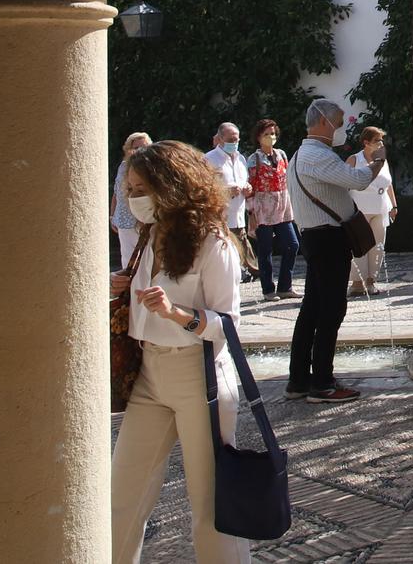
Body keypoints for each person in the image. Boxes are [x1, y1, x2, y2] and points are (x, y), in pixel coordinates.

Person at [108, 139, 250, 563]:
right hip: (150, 376)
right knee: (122, 498)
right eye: (129, 189)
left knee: (210, 507)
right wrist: (123, 286)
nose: (133, 199)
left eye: (140, 189)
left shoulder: (214, 243)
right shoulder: (148, 238)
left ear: (171, 187)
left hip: (199, 377)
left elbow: (228, 326)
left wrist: (177, 314)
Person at [287, 97, 379, 403]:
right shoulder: (318, 156)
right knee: (331, 310)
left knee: (312, 308)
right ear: (323, 122)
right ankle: (322, 384)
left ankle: (299, 380)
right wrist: (376, 161)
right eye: (338, 122)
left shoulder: (301, 155)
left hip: (315, 238)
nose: (340, 128)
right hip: (328, 238)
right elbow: (358, 180)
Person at [245, 118, 299, 300]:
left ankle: (285, 286)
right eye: (266, 134)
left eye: (273, 133)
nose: (271, 137)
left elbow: (288, 178)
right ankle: (268, 289)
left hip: (282, 205)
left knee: (292, 245)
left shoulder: (282, 154)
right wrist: (251, 212)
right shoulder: (254, 159)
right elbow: (251, 185)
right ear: (259, 137)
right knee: (265, 249)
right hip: (263, 207)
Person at [347, 125, 396, 296]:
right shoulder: (354, 159)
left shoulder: (382, 160)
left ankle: (371, 281)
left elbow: (388, 184)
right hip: (359, 209)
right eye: (377, 140)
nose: (380, 143)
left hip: (380, 208)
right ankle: (357, 282)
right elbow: (345, 183)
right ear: (366, 142)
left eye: (381, 140)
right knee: (359, 246)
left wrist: (394, 205)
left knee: (378, 246)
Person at [205, 123, 254, 283]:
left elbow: (244, 181)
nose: (234, 143)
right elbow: (203, 188)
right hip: (220, 217)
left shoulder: (240, 158)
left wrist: (247, 188)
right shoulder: (209, 159)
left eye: (236, 139)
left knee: (240, 252)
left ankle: (243, 275)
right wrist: (225, 191)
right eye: (230, 140)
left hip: (239, 216)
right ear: (219, 139)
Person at [111, 132, 153, 269]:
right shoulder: (123, 167)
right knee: (127, 260)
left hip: (144, 219)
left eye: (144, 147)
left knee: (146, 259)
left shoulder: (152, 168)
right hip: (124, 220)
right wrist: (112, 216)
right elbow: (117, 193)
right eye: (136, 147)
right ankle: (129, 289)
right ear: (129, 148)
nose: (140, 151)